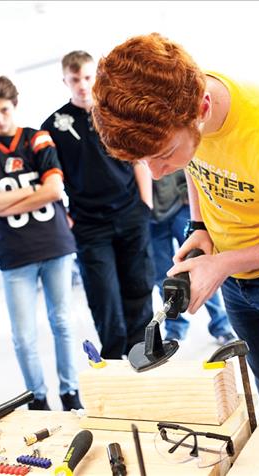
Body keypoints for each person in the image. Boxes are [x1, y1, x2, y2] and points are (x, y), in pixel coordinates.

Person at [91, 33, 259, 409]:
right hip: (234, 279)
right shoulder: (186, 119)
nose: (155, 175)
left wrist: (224, 262)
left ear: (202, 111)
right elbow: (194, 162)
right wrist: (199, 226)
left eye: (164, 154)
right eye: (144, 161)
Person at [41, 51, 155, 359]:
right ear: (65, 80)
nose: (82, 85)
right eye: (75, 79)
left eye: (88, 78)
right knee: (104, 296)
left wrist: (145, 206)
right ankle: (116, 360)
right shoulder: (52, 126)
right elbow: (50, 180)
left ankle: (144, 354)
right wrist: (65, 218)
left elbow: (139, 161)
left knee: (139, 286)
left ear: (98, 77)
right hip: (90, 225)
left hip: (131, 214)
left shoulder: (118, 113)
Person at [0, 76, 82, 411]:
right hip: (14, 254)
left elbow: (54, 191)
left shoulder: (36, 137)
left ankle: (69, 391)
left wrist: (2, 199)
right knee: (23, 336)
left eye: (3, 110)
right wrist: (32, 193)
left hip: (54, 244)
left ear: (15, 106)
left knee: (63, 322)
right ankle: (37, 397)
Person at [151, 170, 236, 344]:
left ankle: (221, 325)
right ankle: (174, 328)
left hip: (180, 206)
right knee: (164, 276)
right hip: (151, 217)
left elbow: (188, 161)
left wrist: (189, 197)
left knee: (200, 267)